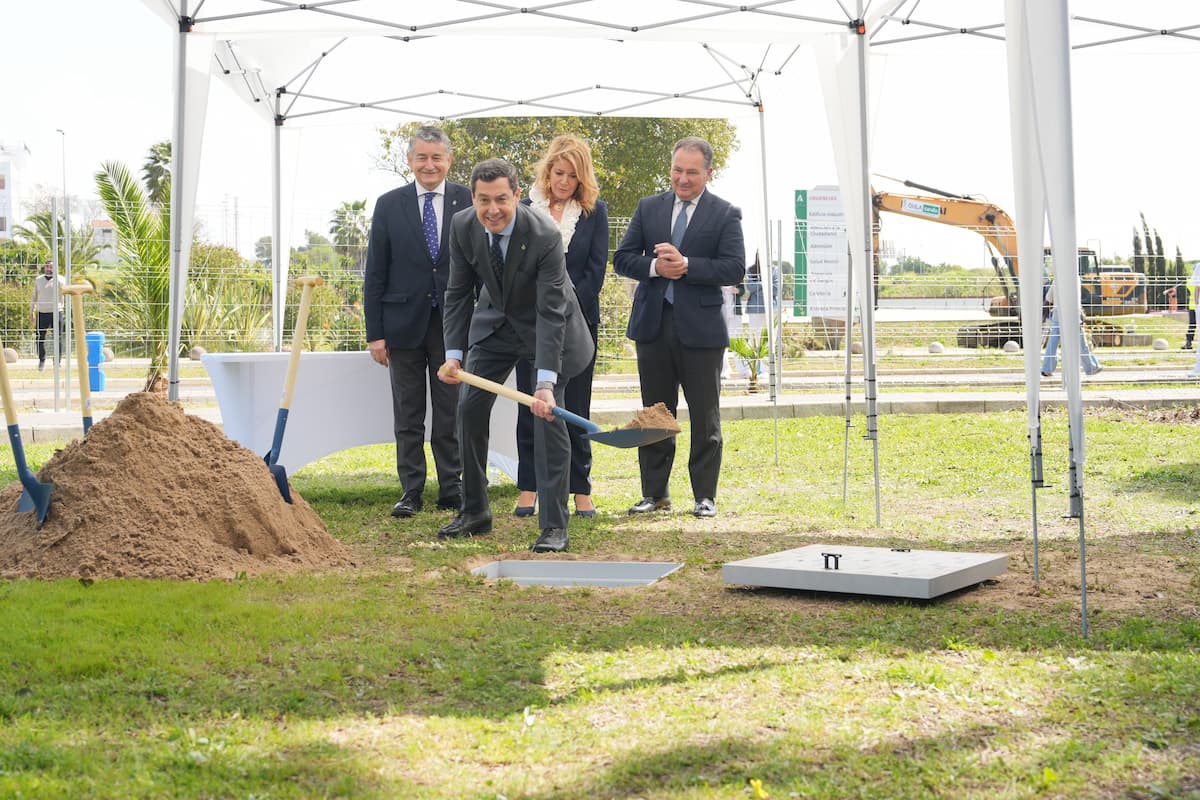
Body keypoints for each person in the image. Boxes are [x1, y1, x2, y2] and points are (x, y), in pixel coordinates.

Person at [438, 158, 594, 553]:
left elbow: (550, 312)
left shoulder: (544, 234)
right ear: (472, 198)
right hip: (495, 326)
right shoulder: (461, 226)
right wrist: (455, 355)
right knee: (469, 410)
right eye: (483, 200)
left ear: (517, 196)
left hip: (549, 327)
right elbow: (457, 293)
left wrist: (544, 384)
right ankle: (475, 511)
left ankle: (554, 526)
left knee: (548, 419)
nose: (492, 209)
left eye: (502, 200)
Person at [613, 136, 745, 519]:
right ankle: (654, 493)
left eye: (691, 171)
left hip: (701, 332)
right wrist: (655, 268)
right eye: (677, 170)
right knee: (655, 413)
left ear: (708, 172)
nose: (682, 179)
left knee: (705, 415)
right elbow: (622, 259)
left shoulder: (725, 213)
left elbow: (734, 267)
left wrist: (688, 265)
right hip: (653, 327)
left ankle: (705, 495)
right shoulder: (648, 208)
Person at [363, 125, 472, 519]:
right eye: (422, 157)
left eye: (436, 157)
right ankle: (410, 491)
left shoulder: (468, 201)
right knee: (408, 415)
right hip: (401, 327)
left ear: (448, 160)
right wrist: (375, 333)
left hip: (452, 327)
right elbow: (375, 272)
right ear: (409, 161)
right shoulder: (389, 205)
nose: (429, 165)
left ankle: (452, 488)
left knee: (449, 414)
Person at [513, 134, 609, 519]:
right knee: (531, 406)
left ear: (581, 178)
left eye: (572, 175)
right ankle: (528, 487)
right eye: (558, 172)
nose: (563, 181)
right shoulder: (524, 209)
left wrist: (563, 308)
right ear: (547, 171)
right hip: (530, 326)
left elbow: (595, 272)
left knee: (575, 408)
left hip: (578, 327)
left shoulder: (593, 213)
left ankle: (580, 489)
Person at [1041, 281, 1102, 377]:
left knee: (1053, 340)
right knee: (1080, 341)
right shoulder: (1075, 277)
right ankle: (1091, 366)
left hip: (1057, 311)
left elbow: (1049, 298)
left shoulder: (1057, 277)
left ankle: (1047, 367)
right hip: (1072, 311)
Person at [30, 260, 65, 371]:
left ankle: (57, 362)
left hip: (57, 312)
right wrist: (31, 311)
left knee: (58, 337)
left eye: (51, 267)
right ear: (45, 268)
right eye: (47, 266)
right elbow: (34, 296)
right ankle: (42, 360)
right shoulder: (38, 280)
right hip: (42, 312)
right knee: (40, 337)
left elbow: (65, 294)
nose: (49, 269)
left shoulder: (61, 280)